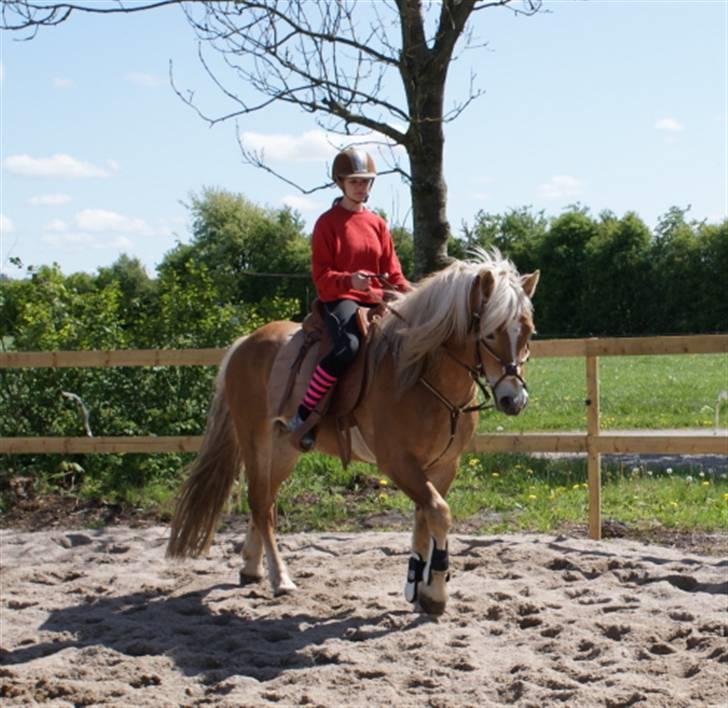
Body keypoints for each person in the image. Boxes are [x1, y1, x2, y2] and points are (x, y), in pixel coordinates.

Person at [288, 147, 411, 450]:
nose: (361, 187)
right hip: (340, 298)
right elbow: (322, 277)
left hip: (378, 299)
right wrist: (349, 280)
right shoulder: (326, 223)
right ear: (340, 183)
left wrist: (413, 294)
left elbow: (394, 272)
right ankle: (305, 414)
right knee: (348, 346)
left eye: (366, 181)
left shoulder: (378, 224)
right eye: (354, 181)